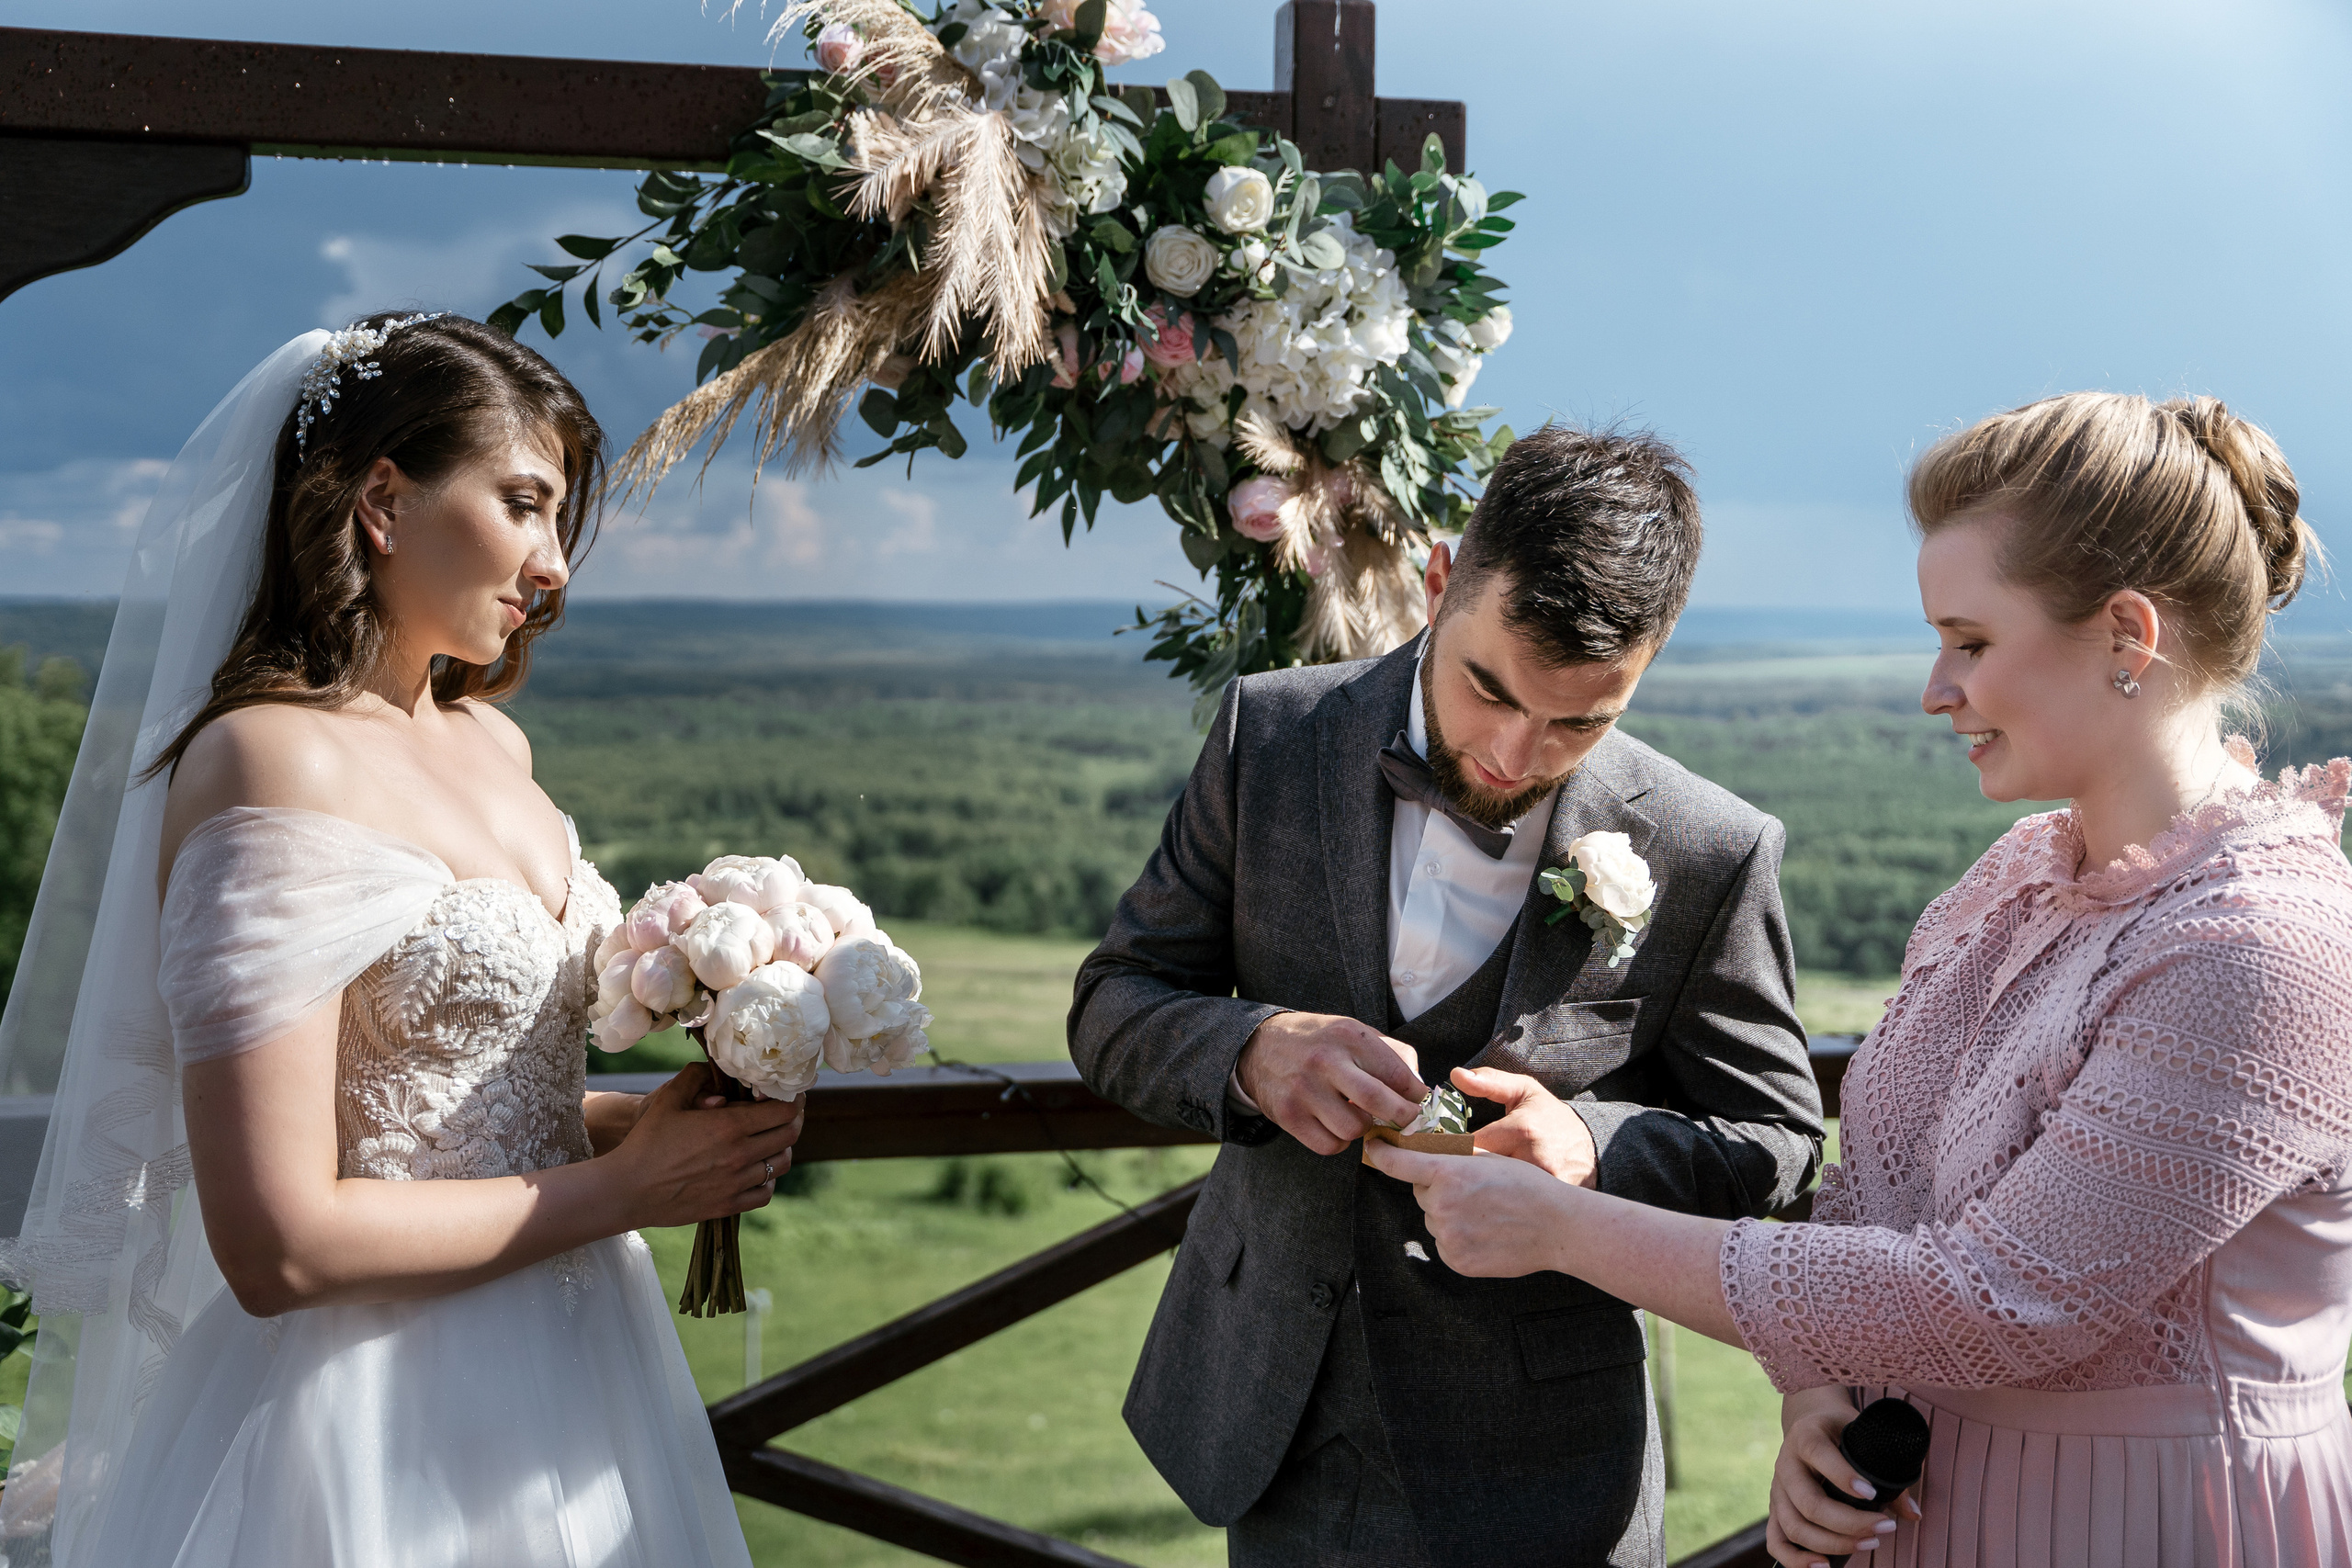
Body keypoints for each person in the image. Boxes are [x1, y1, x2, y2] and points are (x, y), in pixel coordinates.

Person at [1369, 392, 2352, 1568]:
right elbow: (1871, 1208)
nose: (1936, 689)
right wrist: (1815, 1400)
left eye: (1971, 642)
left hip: (2154, 1522)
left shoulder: (2259, 947)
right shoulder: (2011, 886)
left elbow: (1995, 1301)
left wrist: (1569, 1230)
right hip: (1922, 1509)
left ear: (2128, 636)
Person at [0, 313, 787, 1566]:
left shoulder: (496, 744)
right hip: (379, 1409)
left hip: (586, 1368)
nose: (553, 566)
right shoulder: (269, 754)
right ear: (383, 497)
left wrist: (626, 1122)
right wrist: (626, 1190)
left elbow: (423, 1095)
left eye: (558, 516)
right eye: (523, 501)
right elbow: (280, 1240)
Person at [1069, 424, 1826, 1567]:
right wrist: (1252, 1048)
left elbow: (1775, 1140)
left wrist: (1588, 1146)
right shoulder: (1268, 738)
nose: (1516, 754)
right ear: (1437, 580)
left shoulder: (1710, 847)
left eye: (1581, 719)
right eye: (1489, 689)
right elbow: (1114, 1002)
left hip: (1544, 1463)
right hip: (1282, 1410)